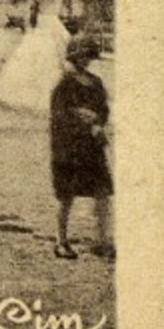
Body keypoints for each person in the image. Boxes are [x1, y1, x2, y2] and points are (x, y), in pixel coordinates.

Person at [51, 34, 113, 260]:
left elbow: (103, 109)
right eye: (83, 55)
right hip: (69, 149)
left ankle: (103, 241)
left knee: (103, 193)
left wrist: (97, 121)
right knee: (66, 196)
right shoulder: (65, 84)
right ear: (74, 56)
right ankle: (61, 241)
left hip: (92, 147)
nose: (86, 60)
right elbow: (59, 116)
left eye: (89, 56)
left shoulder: (95, 82)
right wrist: (81, 120)